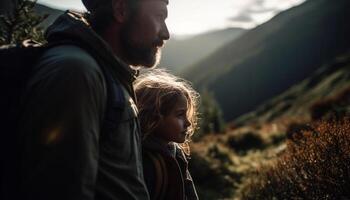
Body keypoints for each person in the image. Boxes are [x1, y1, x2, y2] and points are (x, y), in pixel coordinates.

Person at [15, 0, 170, 199]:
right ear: (120, 10)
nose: (165, 33)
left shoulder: (108, 75)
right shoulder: (76, 72)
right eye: (159, 16)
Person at [134, 70, 200, 200]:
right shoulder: (143, 163)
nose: (188, 122)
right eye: (180, 115)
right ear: (154, 117)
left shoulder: (176, 152)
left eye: (186, 114)